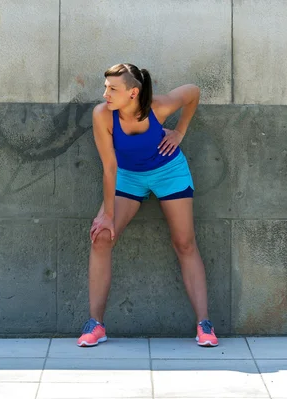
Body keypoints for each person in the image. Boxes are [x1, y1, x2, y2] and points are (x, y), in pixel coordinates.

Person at [77, 63, 218, 348]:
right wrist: (107, 214)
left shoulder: (159, 107)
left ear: (133, 93)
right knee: (101, 237)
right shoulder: (102, 115)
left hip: (168, 172)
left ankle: (204, 324)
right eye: (105, 87)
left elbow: (193, 92)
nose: (105, 94)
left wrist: (180, 131)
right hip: (128, 176)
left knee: (185, 242)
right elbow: (109, 168)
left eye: (112, 89)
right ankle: (96, 325)